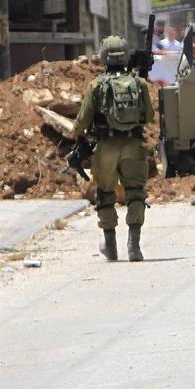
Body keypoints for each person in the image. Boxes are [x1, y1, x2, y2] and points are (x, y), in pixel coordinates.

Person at [72, 36, 155, 262]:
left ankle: (110, 246)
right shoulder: (138, 84)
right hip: (133, 146)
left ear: (104, 57)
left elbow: (81, 121)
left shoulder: (96, 85)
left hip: (106, 147)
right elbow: (149, 116)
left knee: (105, 194)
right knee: (136, 193)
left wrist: (77, 135)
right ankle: (134, 246)